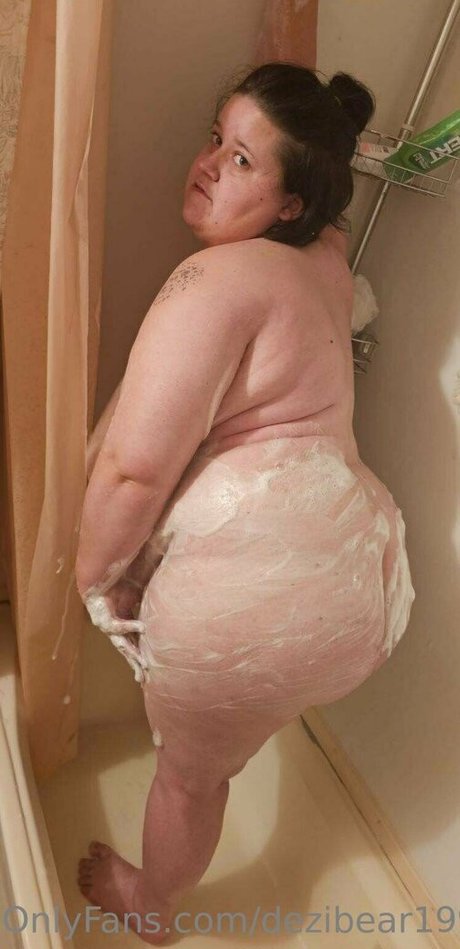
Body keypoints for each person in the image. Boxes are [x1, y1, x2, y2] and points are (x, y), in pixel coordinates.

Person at [75, 63, 415, 943]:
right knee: (219, 751)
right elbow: (324, 193)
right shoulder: (326, 259)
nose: (207, 165)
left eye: (241, 162)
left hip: (255, 605)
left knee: (191, 779)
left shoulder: (216, 280)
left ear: (291, 202)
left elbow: (132, 471)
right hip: (365, 583)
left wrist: (91, 580)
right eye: (216, 139)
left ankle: (150, 905)